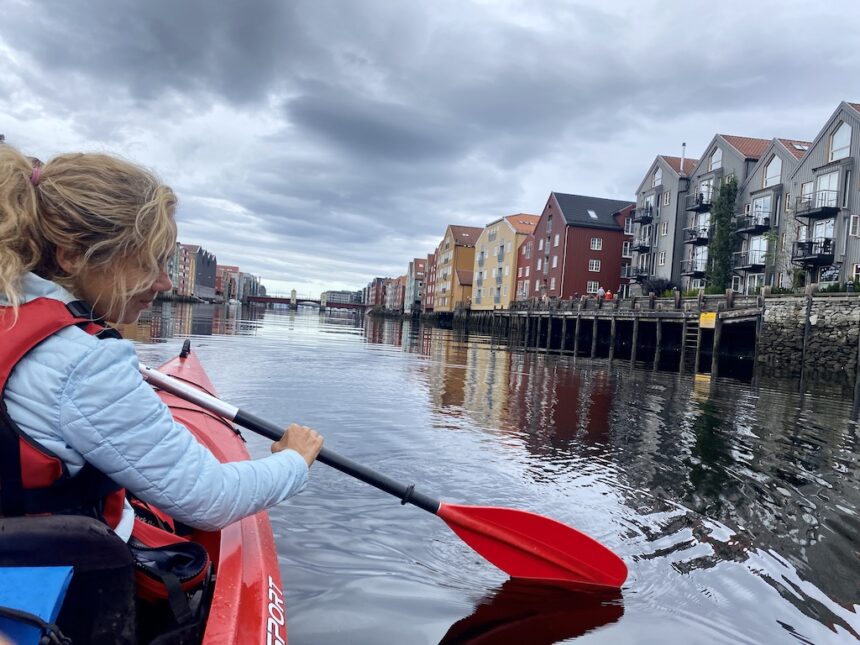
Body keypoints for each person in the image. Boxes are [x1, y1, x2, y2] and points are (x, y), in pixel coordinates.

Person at [0, 145, 323, 539]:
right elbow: (209, 498)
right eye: (150, 261)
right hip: (62, 572)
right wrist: (294, 459)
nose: (165, 283)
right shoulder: (83, 360)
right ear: (72, 256)